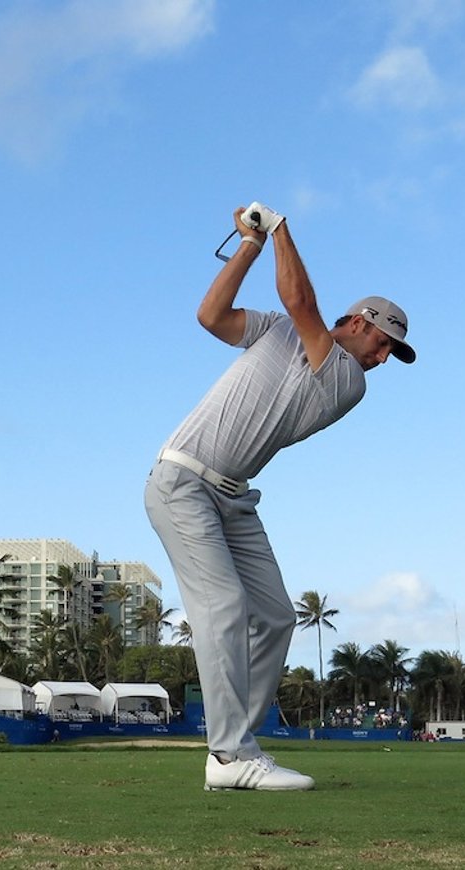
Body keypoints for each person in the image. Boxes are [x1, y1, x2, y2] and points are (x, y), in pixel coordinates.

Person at [143, 204, 415, 791]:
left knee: (273, 616)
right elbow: (211, 315)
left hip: (233, 499)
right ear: (360, 321)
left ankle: (234, 746)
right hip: (183, 481)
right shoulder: (277, 331)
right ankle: (229, 755)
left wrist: (280, 228)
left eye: (394, 351)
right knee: (223, 607)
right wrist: (249, 245)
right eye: (385, 341)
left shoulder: (349, 380)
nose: (385, 357)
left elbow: (301, 304)